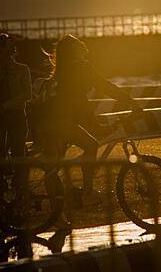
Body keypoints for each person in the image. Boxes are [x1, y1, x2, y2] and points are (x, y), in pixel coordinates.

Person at [31, 34, 141, 199]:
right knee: (90, 145)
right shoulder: (81, 67)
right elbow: (105, 86)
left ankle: (57, 209)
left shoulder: (62, 70)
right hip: (61, 121)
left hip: (50, 120)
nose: (84, 47)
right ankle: (87, 191)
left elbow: (77, 100)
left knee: (53, 164)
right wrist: (130, 102)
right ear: (75, 50)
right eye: (79, 45)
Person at [0, 33, 32, 159]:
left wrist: (5, 105)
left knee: (18, 151)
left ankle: (19, 178)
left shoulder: (22, 69)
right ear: (0, 48)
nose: (13, 46)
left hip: (15, 114)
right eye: (8, 44)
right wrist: (3, 57)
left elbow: (27, 94)